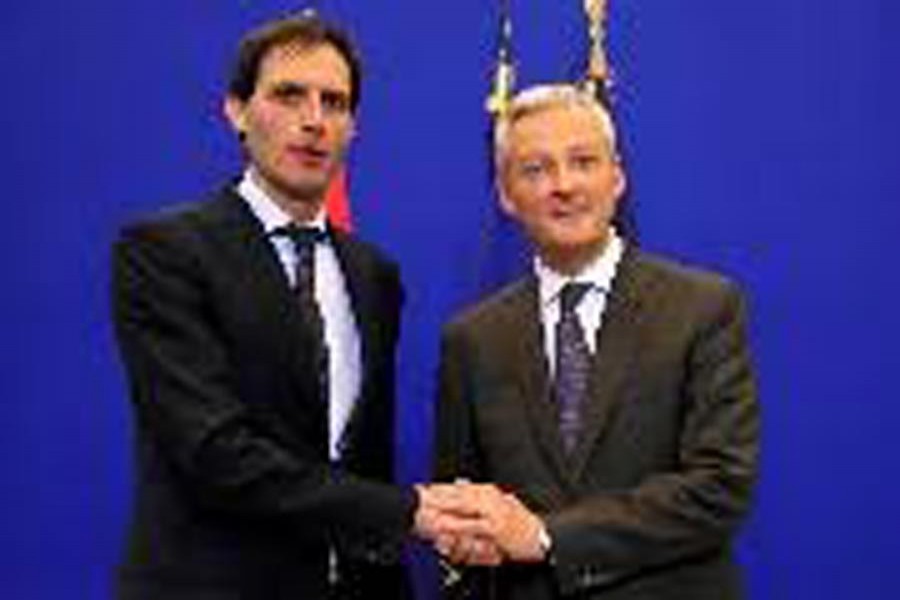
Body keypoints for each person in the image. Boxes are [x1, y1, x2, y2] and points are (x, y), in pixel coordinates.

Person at [112, 12, 430, 599]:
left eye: (334, 103)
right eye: (289, 96)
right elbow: (215, 455)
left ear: (353, 126)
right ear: (236, 110)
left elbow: (363, 458)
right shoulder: (165, 252)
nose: (313, 121)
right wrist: (410, 511)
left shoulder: (374, 275)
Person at [429, 84, 760, 599]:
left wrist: (546, 537)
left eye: (583, 161)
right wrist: (464, 537)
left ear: (617, 176)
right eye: (535, 170)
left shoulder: (703, 308)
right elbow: (462, 508)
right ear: (505, 194)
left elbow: (720, 486)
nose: (563, 185)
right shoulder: (471, 339)